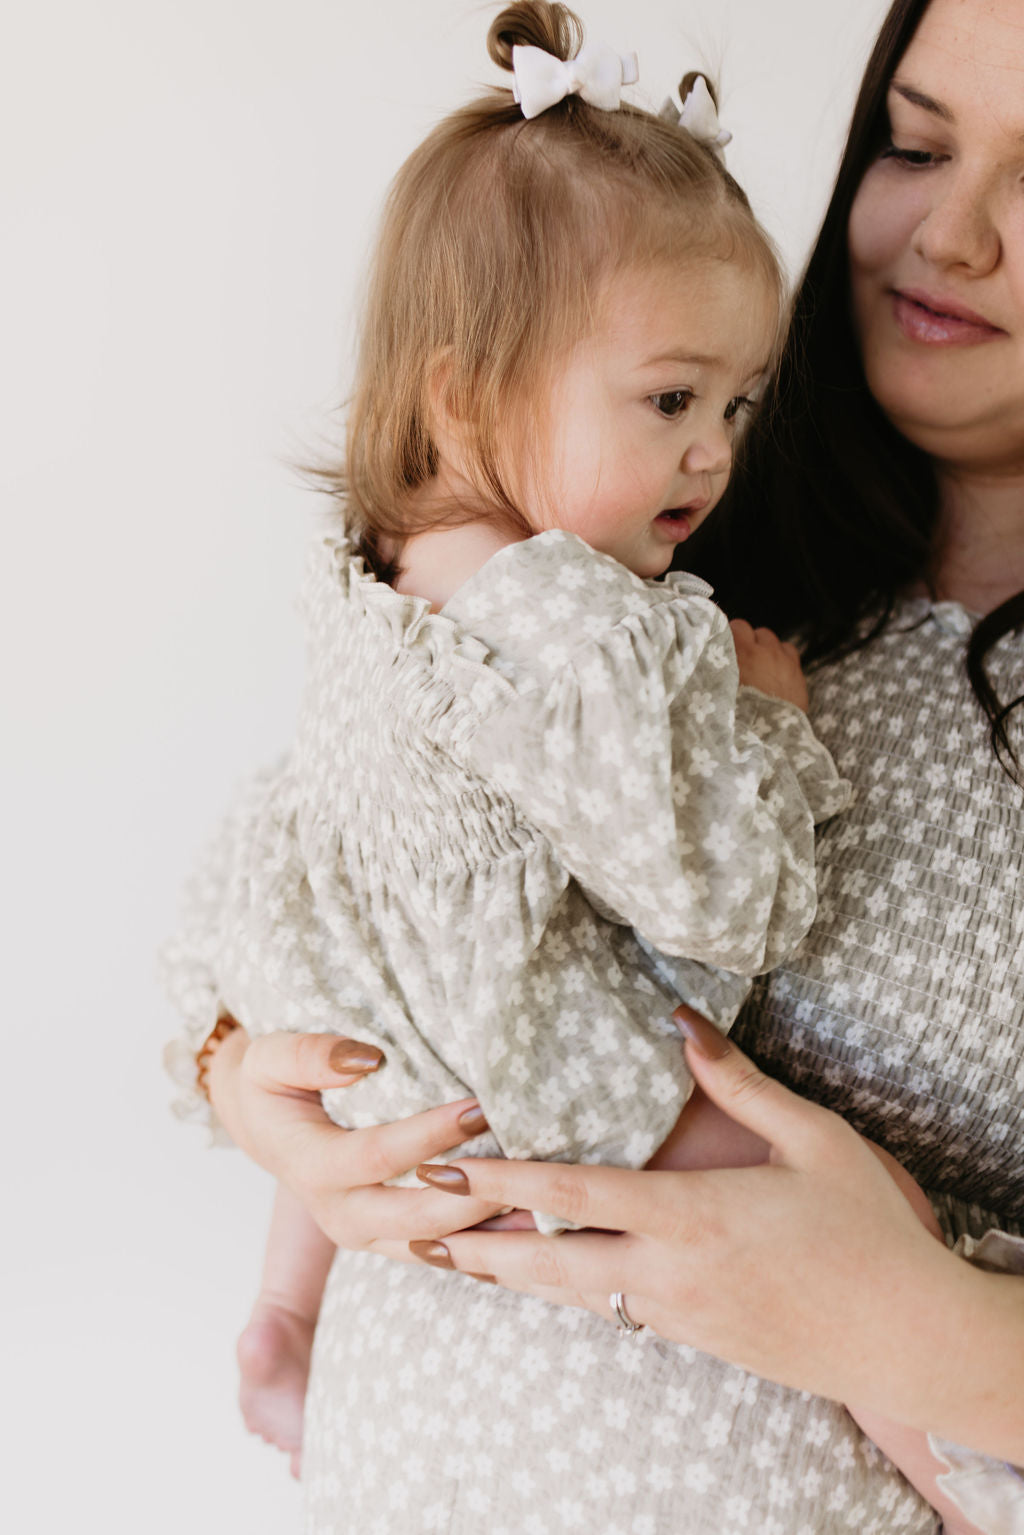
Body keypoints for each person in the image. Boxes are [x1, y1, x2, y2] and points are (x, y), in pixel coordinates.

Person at [170, 0, 1024, 1529]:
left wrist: (928, 1334)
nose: (949, 236)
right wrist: (248, 1078)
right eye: (914, 142)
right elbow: (308, 855)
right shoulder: (632, 562)